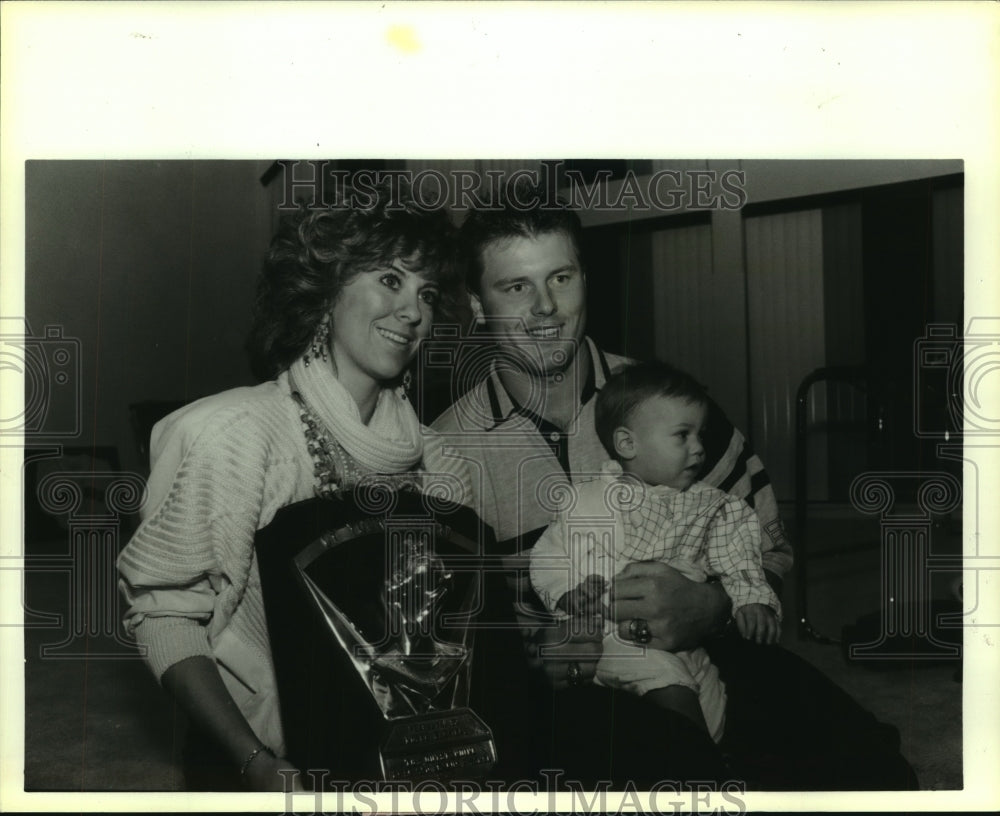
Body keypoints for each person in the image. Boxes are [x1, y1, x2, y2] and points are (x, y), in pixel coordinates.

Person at [430, 179, 918, 790]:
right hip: (568, 699)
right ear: (477, 304)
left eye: (561, 278)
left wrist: (711, 605)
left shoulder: (668, 403)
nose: (545, 309)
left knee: (878, 770)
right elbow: (454, 639)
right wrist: (537, 647)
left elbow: (768, 546)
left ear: (586, 277)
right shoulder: (445, 452)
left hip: (715, 656)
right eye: (514, 286)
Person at [117, 181, 470, 791]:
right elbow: (165, 617)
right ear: (327, 291)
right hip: (261, 760)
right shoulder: (227, 436)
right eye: (390, 279)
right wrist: (257, 765)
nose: (413, 311)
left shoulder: (444, 466)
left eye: (427, 292)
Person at [529, 361, 781, 743]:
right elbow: (548, 556)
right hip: (614, 640)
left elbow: (740, 558)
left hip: (689, 645)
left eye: (701, 434)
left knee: (717, 710)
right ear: (628, 443)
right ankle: (690, 768)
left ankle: (706, 768)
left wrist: (751, 601)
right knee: (675, 697)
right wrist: (566, 594)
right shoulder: (586, 501)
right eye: (683, 435)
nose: (699, 448)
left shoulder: (708, 506)